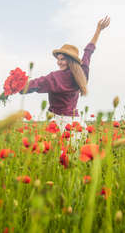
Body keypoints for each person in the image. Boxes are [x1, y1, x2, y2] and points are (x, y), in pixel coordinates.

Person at [21, 16, 110, 145]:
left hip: (59, 123)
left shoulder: (57, 77)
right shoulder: (82, 72)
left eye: (62, 59)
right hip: (76, 122)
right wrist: (98, 30)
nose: (59, 62)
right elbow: (88, 52)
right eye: (58, 59)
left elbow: (37, 84)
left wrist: (17, 87)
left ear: (70, 60)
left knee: (61, 159)